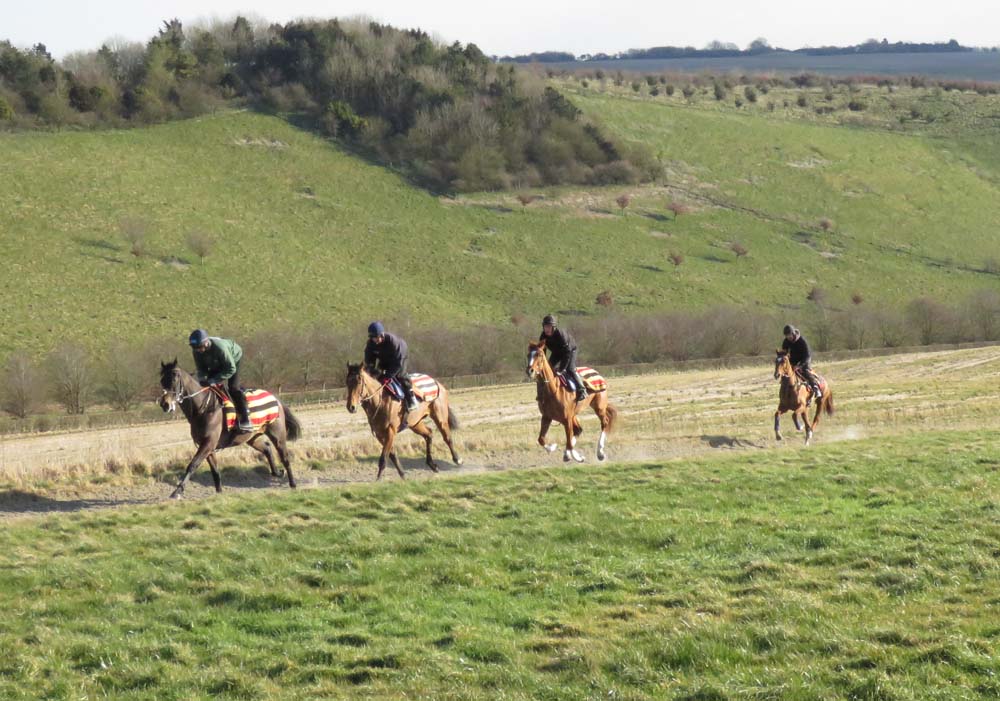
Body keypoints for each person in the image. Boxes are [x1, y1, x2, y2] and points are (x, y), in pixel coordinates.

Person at [189, 329, 253, 432]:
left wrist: (214, 379)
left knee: (233, 388)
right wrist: (202, 379)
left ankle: (246, 419)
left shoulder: (220, 348)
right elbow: (201, 368)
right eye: (195, 348)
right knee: (207, 385)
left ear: (206, 342)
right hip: (215, 362)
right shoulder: (196, 351)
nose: (198, 350)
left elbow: (231, 369)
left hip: (233, 360)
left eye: (199, 347)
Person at [364, 321, 418, 412]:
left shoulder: (393, 342)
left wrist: (388, 376)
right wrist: (370, 372)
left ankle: (411, 398)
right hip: (384, 358)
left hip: (400, 357)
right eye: (373, 338)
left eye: (377, 337)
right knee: (378, 376)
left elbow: (398, 364)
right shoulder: (370, 344)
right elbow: (369, 361)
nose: (375, 340)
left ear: (382, 335)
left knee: (400, 375)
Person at [539, 314, 587, 402]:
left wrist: (561, 370)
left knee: (570, 369)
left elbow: (567, 353)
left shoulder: (561, 335)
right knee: (548, 370)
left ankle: (582, 389)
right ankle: (544, 393)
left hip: (570, 351)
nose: (547, 329)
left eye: (549, 327)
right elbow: (542, 353)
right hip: (557, 352)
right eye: (545, 327)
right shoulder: (543, 336)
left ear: (553, 327)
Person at [781, 324, 823, 402]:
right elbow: (784, 352)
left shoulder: (802, 341)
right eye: (786, 335)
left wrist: (799, 366)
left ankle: (815, 388)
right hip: (793, 360)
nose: (788, 337)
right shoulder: (786, 341)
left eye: (789, 335)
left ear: (793, 333)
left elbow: (807, 355)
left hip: (804, 360)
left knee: (805, 371)